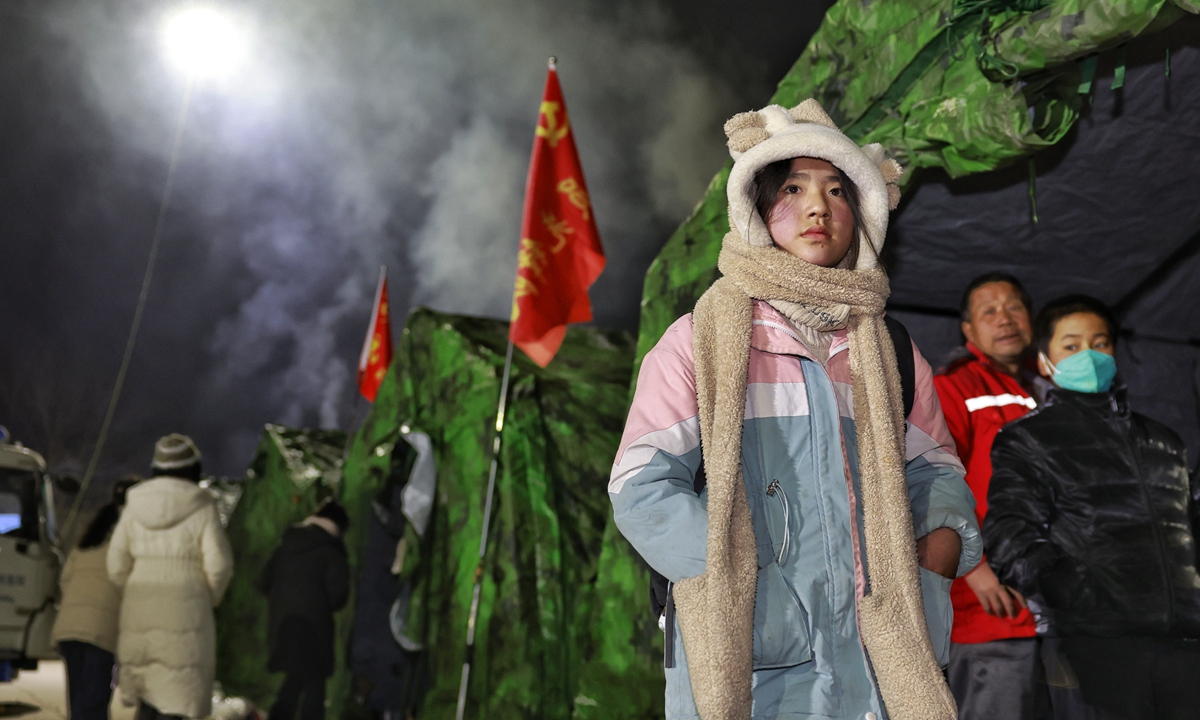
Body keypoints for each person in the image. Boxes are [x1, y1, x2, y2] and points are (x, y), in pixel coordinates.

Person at [609, 100, 981, 720]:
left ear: (859, 216)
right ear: (757, 210)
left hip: (880, 668)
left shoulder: (888, 349)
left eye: (838, 190)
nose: (818, 207)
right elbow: (639, 486)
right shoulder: (700, 340)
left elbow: (938, 474)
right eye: (793, 188)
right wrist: (752, 590)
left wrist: (930, 569)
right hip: (753, 669)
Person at [986, 295, 1200, 720]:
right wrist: (1079, 596)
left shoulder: (1163, 441)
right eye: (1072, 345)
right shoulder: (1029, 439)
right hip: (1094, 646)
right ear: (1046, 361)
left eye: (1100, 343)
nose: (1089, 354)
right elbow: (1009, 535)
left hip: (1183, 643)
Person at [932, 273, 1050, 719]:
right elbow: (933, 483)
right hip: (991, 607)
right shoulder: (955, 386)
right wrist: (974, 568)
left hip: (1056, 608)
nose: (1004, 319)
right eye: (989, 311)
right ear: (968, 331)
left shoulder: (1047, 387)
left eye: (1014, 307)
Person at [108, 434, 233, 720]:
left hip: (138, 611)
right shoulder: (202, 505)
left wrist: (133, 591)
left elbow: (115, 564)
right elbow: (220, 565)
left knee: (147, 699)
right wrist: (206, 597)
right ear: (193, 469)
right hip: (187, 614)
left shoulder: (134, 505)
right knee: (178, 698)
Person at [53, 476, 139, 720]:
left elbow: (64, 580)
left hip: (69, 628)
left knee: (79, 704)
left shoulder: (91, 535)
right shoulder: (134, 534)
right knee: (93, 705)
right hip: (99, 631)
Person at [258, 498, 351, 720]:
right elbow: (338, 597)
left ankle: (278, 716)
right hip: (314, 629)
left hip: (283, 624)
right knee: (314, 687)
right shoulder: (331, 551)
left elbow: (263, 582)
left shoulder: (286, 544)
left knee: (295, 678)